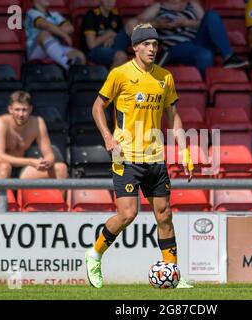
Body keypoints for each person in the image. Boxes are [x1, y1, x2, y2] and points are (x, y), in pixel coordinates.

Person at [85, 24, 194, 289]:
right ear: (135, 47)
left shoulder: (165, 77)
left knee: (164, 215)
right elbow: (98, 106)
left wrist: (185, 150)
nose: (152, 49)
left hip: (155, 156)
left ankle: (173, 274)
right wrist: (108, 137)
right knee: (127, 214)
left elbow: (173, 115)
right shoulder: (119, 74)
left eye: (155, 44)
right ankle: (95, 254)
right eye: (146, 44)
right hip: (125, 156)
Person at [126, 0, 249, 78]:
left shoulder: (192, 4)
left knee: (212, 15)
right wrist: (158, 24)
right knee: (205, 55)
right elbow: (135, 23)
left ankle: (229, 57)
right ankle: (202, 86)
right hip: (174, 47)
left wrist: (185, 22)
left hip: (196, 42)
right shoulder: (159, 6)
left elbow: (206, 23)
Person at [0, 91, 68, 181]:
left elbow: (49, 154)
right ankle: (3, 196)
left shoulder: (38, 123)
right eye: (17, 110)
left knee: (61, 169)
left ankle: (58, 195)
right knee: (5, 167)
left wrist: (46, 162)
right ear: (10, 109)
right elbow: (0, 157)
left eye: (24, 110)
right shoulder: (1, 122)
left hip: (20, 168)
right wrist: (31, 162)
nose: (21, 114)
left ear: (30, 109)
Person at [25, 0, 86, 70]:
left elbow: (70, 28)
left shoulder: (54, 14)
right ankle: (66, 63)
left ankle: (74, 77)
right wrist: (64, 35)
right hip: (36, 50)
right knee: (43, 34)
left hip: (55, 48)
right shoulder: (31, 13)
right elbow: (44, 25)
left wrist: (52, 30)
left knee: (80, 56)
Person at [80, 0, 130, 69]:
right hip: (95, 51)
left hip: (112, 47)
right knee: (121, 56)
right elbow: (91, 45)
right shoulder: (92, 15)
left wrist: (111, 37)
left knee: (131, 26)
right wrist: (109, 34)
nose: (110, 2)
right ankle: (111, 79)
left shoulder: (116, 14)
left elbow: (118, 36)